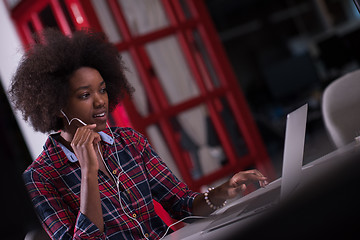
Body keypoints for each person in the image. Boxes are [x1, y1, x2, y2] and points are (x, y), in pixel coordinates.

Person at [9, 28, 268, 240]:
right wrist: (88, 171)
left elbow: (182, 204)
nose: (101, 102)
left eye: (102, 90)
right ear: (57, 105)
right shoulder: (39, 179)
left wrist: (225, 190)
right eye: (85, 95)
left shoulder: (129, 142)